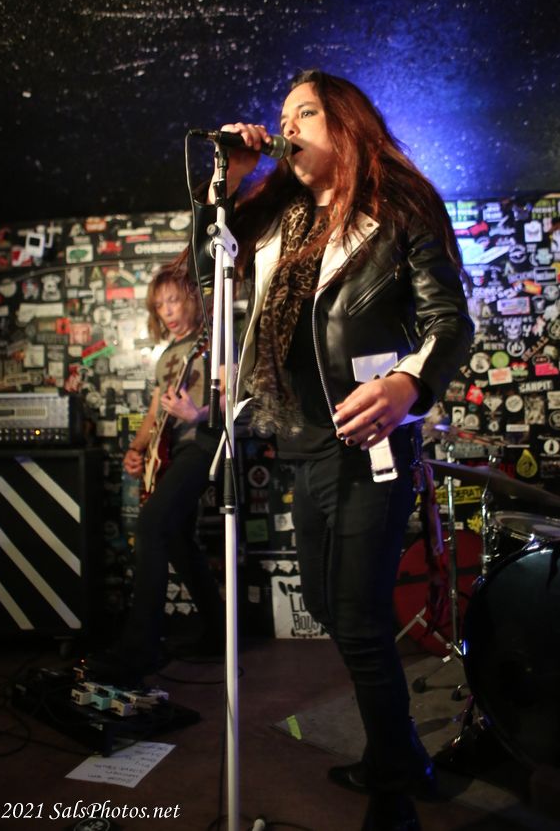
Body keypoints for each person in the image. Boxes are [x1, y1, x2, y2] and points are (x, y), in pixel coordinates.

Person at [192, 70, 474, 831]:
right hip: (302, 441)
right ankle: (400, 756)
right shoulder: (274, 217)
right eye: (282, 115)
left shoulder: (399, 208)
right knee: (327, 605)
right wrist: (232, 181)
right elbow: (204, 264)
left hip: (370, 438)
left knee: (357, 615)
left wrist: (409, 383)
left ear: (347, 124)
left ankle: (395, 786)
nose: (287, 125)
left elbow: (450, 320)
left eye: (306, 112)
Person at [84, 265, 225, 686]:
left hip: (204, 445)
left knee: (150, 526)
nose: (168, 311)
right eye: (160, 305)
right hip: (172, 452)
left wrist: (197, 413)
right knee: (177, 539)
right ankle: (218, 633)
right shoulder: (166, 356)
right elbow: (154, 413)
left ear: (193, 299)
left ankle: (140, 648)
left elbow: (235, 395)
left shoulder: (214, 340)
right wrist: (136, 449)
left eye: (174, 300)